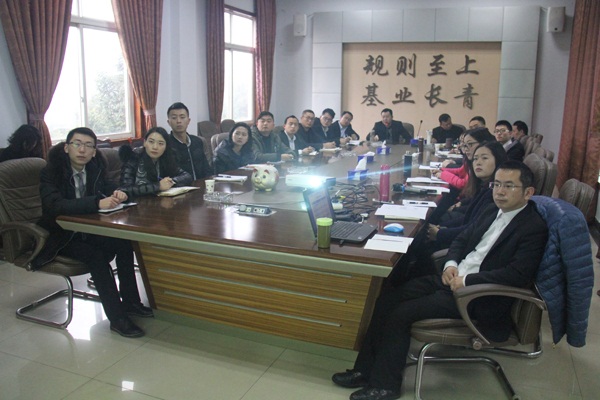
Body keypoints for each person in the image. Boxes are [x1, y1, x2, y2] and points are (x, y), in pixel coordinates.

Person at [332, 161, 548, 400]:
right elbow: (461, 240)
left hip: (478, 297)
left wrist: (467, 280)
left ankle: (386, 386)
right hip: (453, 280)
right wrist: (451, 264)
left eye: (509, 186)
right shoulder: (492, 210)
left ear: (528, 192)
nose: (500, 191)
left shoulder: (533, 227)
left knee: (401, 314)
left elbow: (517, 274)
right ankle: (364, 370)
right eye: (497, 184)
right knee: (387, 297)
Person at [32, 127, 153, 338]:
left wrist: (119, 192)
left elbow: (108, 186)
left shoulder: (95, 168)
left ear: (94, 151)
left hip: (87, 230)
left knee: (124, 243)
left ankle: (131, 302)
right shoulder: (51, 172)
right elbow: (54, 205)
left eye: (88, 146)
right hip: (60, 236)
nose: (82, 150)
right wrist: (97, 202)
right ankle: (118, 318)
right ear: (66, 148)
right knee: (96, 256)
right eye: (77, 144)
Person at [427, 141, 508, 249]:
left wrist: (440, 233)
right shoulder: (484, 187)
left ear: (498, 160)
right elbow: (469, 219)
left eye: (484, 158)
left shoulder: (495, 193)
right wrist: (442, 228)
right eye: (475, 159)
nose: (478, 163)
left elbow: (474, 229)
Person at [119, 127, 193, 197]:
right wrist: (158, 186)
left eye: (160, 143)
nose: (155, 147)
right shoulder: (133, 158)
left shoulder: (166, 159)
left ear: (166, 146)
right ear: (144, 143)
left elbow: (187, 176)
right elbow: (125, 189)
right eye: (151, 142)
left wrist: (170, 182)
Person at [166, 102, 211, 180]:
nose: (178, 121)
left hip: (201, 185)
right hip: (179, 186)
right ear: (168, 122)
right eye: (174, 118)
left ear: (188, 121)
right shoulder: (166, 144)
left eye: (182, 117)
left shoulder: (197, 141)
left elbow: (207, 170)